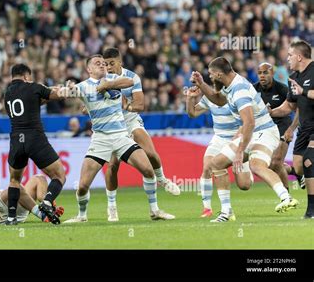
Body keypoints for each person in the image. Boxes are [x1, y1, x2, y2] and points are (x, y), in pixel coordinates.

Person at [61, 54, 175, 223]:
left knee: (148, 170)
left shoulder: (114, 78)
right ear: (89, 69)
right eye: (97, 63)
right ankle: (82, 215)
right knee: (83, 185)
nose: (102, 65)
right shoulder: (84, 86)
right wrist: (67, 88)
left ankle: (154, 210)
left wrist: (109, 84)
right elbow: (68, 92)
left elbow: (129, 82)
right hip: (100, 140)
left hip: (121, 136)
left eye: (103, 63)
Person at [191, 57, 298, 222]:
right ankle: (226, 212)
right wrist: (201, 84)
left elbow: (249, 122)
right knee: (216, 164)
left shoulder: (239, 89)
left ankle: (286, 198)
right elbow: (218, 100)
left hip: (264, 131)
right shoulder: (230, 85)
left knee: (256, 165)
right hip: (253, 131)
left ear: (219, 74)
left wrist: (240, 151)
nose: (210, 77)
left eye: (211, 74)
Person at [102, 48, 180, 222]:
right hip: (113, 125)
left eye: (111, 63)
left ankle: (162, 180)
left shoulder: (132, 77)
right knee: (113, 165)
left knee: (150, 153)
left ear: (120, 62)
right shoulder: (102, 80)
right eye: (105, 64)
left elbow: (139, 106)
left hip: (130, 120)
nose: (108, 67)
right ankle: (112, 207)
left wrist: (126, 106)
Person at [3, 64, 66, 225]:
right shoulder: (33, 87)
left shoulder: (7, 94)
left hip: (17, 140)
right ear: (26, 76)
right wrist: (68, 89)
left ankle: (11, 218)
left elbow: (32, 102)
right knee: (59, 175)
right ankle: (46, 202)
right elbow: (56, 95)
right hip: (34, 137)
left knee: (14, 180)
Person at [186, 86, 253, 219]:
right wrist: (189, 99)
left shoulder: (235, 96)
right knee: (207, 167)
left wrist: (239, 136)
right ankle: (207, 208)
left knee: (244, 185)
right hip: (219, 138)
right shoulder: (209, 98)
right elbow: (192, 113)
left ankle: (248, 167)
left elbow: (246, 120)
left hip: (236, 139)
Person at [270, 40, 314, 218]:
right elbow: (289, 107)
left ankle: (311, 210)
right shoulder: (294, 77)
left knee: (309, 160)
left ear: (299, 56)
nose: (287, 59)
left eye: (289, 55)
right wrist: (269, 112)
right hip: (304, 128)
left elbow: (307, 94)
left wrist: (303, 91)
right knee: (299, 167)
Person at [254, 62, 300, 189]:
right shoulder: (253, 90)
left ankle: (286, 196)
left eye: (265, 72)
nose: (262, 76)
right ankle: (293, 171)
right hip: (265, 129)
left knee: (276, 161)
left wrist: (292, 128)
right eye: (259, 73)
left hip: (282, 126)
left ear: (272, 73)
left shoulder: (282, 89)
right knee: (268, 165)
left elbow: (296, 107)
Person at [0, 166, 64, 224]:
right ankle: (42, 214)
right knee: (16, 186)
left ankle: (48, 206)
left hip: (13, 210)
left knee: (39, 178)